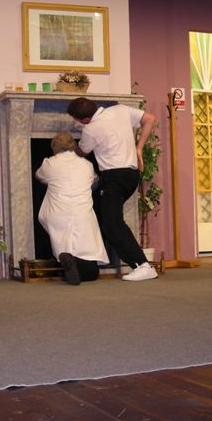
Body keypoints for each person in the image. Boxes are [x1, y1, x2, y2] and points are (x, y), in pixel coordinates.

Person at [67, 97, 158, 281]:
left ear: (85, 120)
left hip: (114, 178)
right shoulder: (121, 110)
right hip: (131, 176)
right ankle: (140, 264)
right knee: (112, 222)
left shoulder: (90, 129)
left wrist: (69, 150)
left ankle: (142, 265)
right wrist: (139, 148)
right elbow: (150, 119)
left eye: (77, 120)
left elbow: (82, 152)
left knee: (112, 225)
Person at [36, 132, 109, 285]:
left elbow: (39, 176)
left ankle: (67, 262)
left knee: (64, 244)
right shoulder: (87, 165)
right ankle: (73, 263)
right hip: (83, 216)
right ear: (74, 146)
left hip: (58, 215)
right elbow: (95, 182)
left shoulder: (49, 164)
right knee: (92, 271)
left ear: (54, 148)